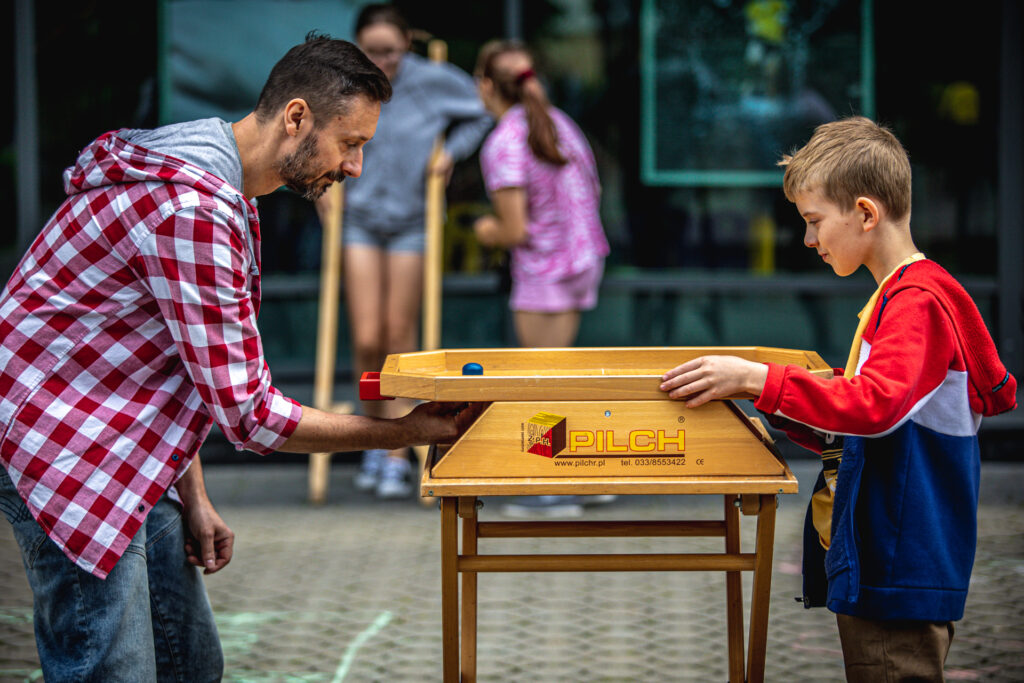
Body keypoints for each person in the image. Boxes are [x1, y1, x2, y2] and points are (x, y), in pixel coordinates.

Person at [0, 34, 480, 682]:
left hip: (123, 434)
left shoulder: (217, 176)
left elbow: (177, 360)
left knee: (190, 662)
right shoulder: (193, 206)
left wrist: (190, 492)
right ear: (297, 117)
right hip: (61, 440)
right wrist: (406, 430)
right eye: (352, 142)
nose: (357, 167)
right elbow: (251, 416)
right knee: (117, 668)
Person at [659, 116, 1017, 681]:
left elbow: (872, 406)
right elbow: (864, 420)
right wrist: (770, 394)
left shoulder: (914, 303)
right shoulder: (902, 296)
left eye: (814, 221)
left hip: (895, 568)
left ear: (866, 214)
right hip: (892, 562)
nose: (807, 240)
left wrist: (758, 380)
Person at [329, 4, 491, 499]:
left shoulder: (433, 80)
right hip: (358, 218)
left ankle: (397, 451)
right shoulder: (341, 81)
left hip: (413, 224)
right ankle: (375, 439)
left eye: (391, 52)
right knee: (367, 336)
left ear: (408, 46)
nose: (382, 63)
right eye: (372, 52)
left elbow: (483, 112)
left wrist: (450, 153)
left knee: (400, 336)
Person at [472, 40, 612, 518]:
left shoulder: (503, 142)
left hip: (544, 269)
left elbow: (513, 229)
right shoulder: (561, 123)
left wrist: (484, 230)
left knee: (539, 382)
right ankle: (583, 477)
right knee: (561, 373)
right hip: (582, 257)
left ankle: (550, 487)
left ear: (486, 85)